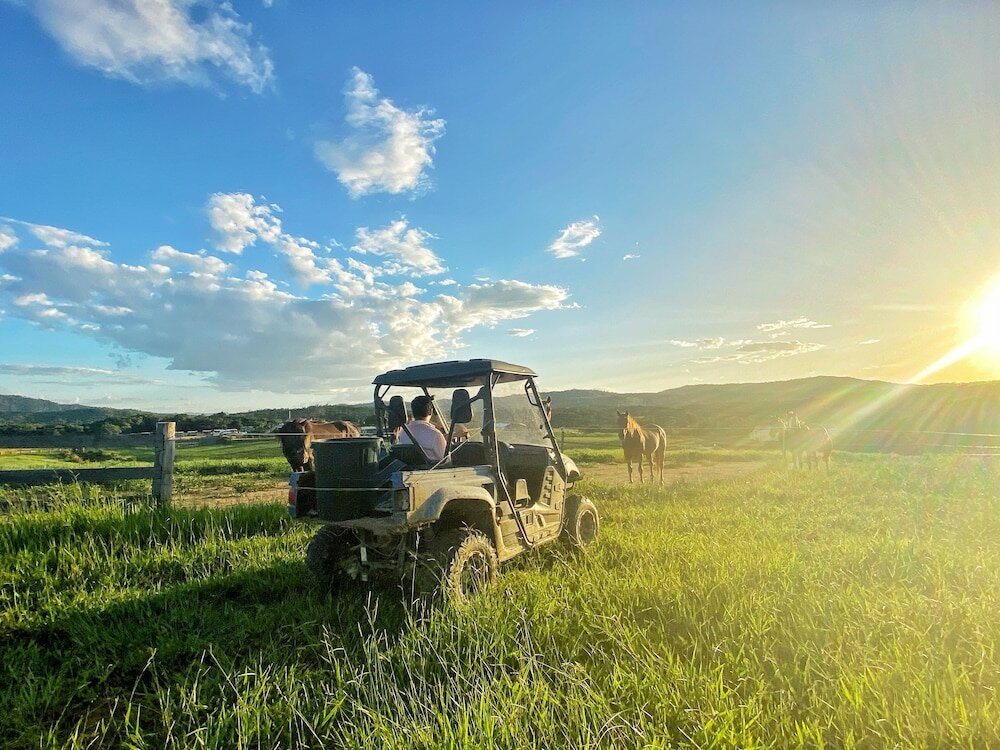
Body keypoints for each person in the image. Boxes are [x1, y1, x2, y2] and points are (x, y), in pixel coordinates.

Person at [398, 395, 447, 462]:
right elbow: (446, 460)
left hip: (409, 466)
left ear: (413, 412)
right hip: (432, 468)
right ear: (431, 411)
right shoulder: (435, 434)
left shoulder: (403, 432)